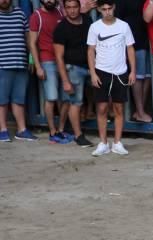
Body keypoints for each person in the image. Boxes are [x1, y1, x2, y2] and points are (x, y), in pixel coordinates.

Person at [87, 0, 136, 156]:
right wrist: (93, 73)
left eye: (109, 8)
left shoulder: (124, 26)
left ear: (114, 7)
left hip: (120, 72)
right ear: (99, 9)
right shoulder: (94, 27)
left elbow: (130, 48)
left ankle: (117, 142)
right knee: (101, 108)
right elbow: (90, 51)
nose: (107, 12)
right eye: (104, 9)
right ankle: (103, 143)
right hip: (101, 71)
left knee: (119, 108)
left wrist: (132, 71)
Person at [29, 0, 72, 143]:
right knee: (51, 98)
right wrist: (38, 65)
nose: (49, 0)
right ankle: (52, 132)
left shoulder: (60, 12)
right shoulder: (36, 16)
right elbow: (32, 43)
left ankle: (61, 130)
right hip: (47, 60)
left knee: (66, 97)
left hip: (63, 60)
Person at [53, 0, 94, 147]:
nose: (72, 11)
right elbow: (58, 57)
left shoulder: (88, 20)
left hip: (91, 67)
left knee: (102, 94)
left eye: (74, 7)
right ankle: (78, 135)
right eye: (68, 8)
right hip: (73, 69)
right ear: (64, 9)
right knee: (75, 102)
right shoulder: (61, 28)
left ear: (79, 7)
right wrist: (65, 80)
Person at [0, 0, 37, 142]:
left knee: (19, 99)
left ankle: (22, 130)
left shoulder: (20, 14)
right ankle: (2, 130)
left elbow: (28, 38)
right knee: (1, 100)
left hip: (21, 63)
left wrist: (31, 59)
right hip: (2, 64)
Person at [116, 0, 152, 122]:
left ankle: (139, 111)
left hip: (146, 39)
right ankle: (140, 112)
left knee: (147, 76)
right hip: (132, 41)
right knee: (138, 76)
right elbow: (118, 20)